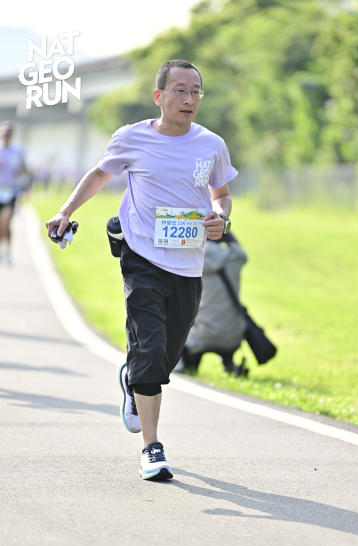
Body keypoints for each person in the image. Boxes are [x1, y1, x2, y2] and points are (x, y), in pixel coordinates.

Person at [45, 59, 238, 481]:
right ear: (159, 96)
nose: (189, 99)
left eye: (196, 92)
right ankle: (152, 448)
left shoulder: (211, 144)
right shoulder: (132, 137)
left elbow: (221, 194)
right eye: (180, 90)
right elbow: (100, 175)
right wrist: (65, 211)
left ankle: (134, 379)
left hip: (188, 265)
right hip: (141, 256)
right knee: (149, 349)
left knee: (165, 356)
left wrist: (222, 218)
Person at [179, 231, 249, 376]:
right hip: (232, 336)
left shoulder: (196, 261)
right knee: (222, 318)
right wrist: (225, 230)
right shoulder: (236, 258)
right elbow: (241, 251)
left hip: (201, 335)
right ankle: (229, 364)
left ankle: (187, 364)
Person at [0, 122, 29, 265]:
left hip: (10, 191)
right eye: (3, 133)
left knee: (6, 221)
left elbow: (24, 169)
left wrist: (25, 187)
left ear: (11, 135)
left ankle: (8, 251)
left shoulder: (18, 151)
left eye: (8, 134)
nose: (5, 136)